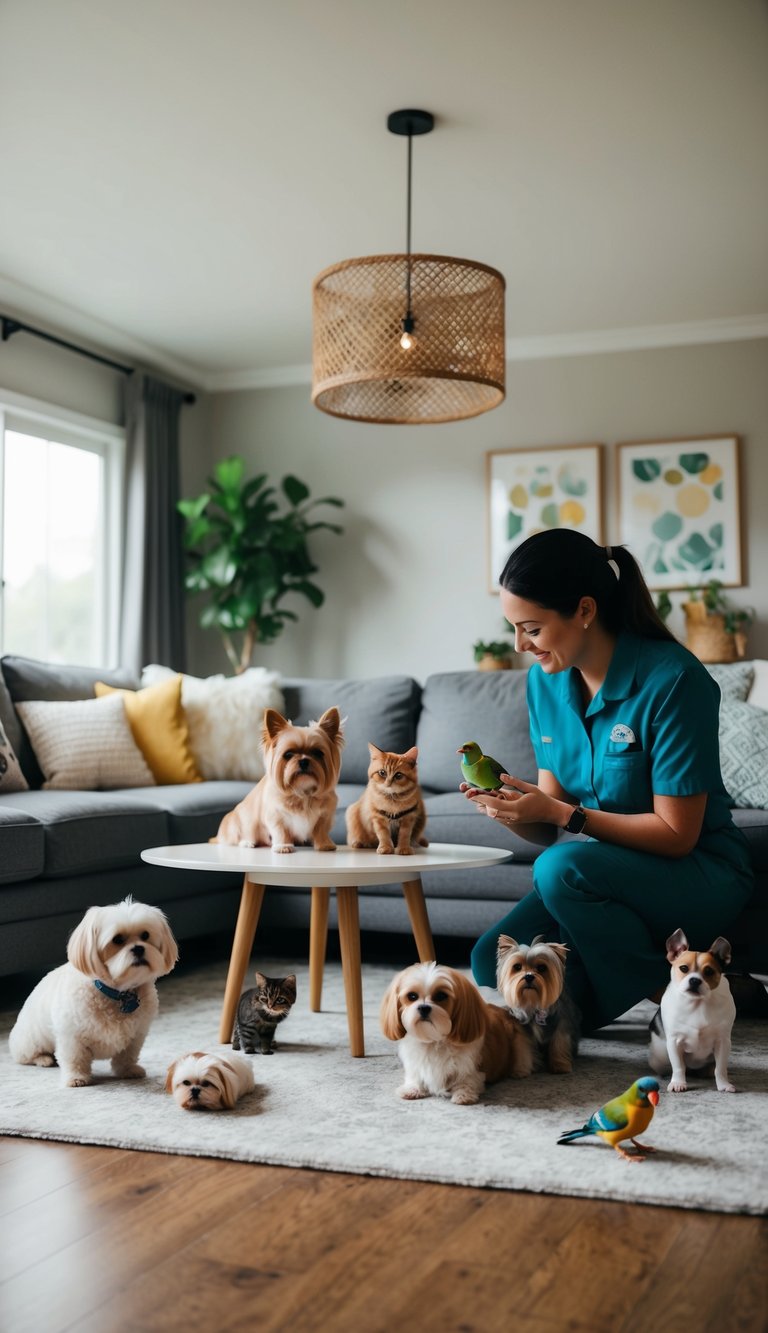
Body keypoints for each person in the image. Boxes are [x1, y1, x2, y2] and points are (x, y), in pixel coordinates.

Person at [465, 528, 754, 1032]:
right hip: (602, 871)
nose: (520, 644)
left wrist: (560, 814)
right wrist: (512, 809)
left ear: (584, 610)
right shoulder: (543, 682)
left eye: (531, 628)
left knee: (559, 870)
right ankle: (722, 992)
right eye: (514, 628)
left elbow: (676, 835)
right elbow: (547, 816)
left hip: (699, 871)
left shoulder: (675, 681)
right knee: (488, 957)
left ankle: (668, 999)